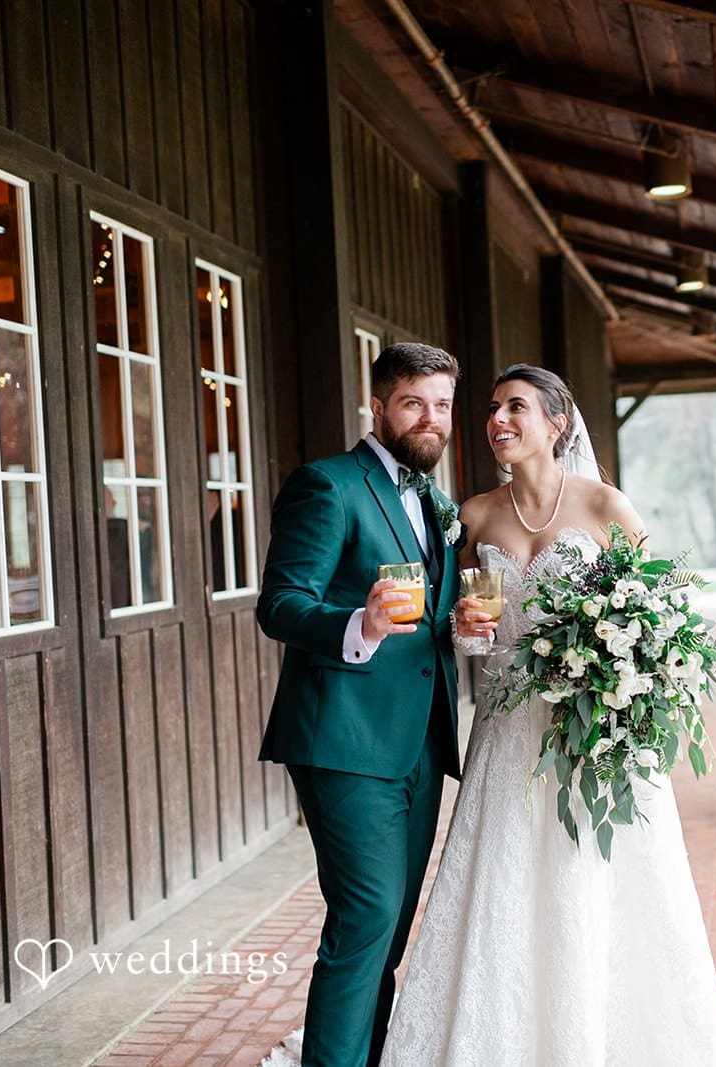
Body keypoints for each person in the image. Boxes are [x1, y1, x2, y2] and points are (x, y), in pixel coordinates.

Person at [377, 364, 716, 1065]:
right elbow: (457, 623)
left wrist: (620, 674)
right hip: (506, 728)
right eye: (491, 408)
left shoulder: (605, 507)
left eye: (517, 406)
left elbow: (664, 613)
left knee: (590, 879)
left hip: (590, 730)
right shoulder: (474, 514)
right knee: (503, 883)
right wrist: (463, 627)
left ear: (557, 422)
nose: (498, 419)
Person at [257, 342, 463, 1067]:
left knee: (391, 925)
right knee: (366, 915)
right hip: (343, 738)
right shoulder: (328, 485)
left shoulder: (437, 503)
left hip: (421, 743)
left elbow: (430, 621)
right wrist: (360, 624)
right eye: (413, 401)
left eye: (441, 404)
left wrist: (460, 626)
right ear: (377, 405)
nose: (429, 418)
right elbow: (280, 604)